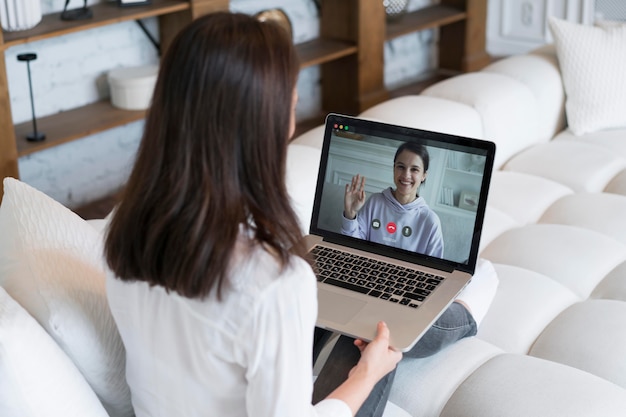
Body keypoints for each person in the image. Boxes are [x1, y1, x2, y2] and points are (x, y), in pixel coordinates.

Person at [103, 12, 401, 417]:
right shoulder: (273, 281)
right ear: (266, 126)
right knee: (388, 340)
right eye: (292, 106)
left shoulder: (126, 227)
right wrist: (366, 376)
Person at [342, 142, 444, 257]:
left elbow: (435, 270)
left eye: (414, 169)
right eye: (401, 167)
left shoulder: (431, 221)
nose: (406, 175)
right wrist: (350, 215)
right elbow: (352, 247)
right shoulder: (375, 202)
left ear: (424, 175)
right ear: (394, 168)